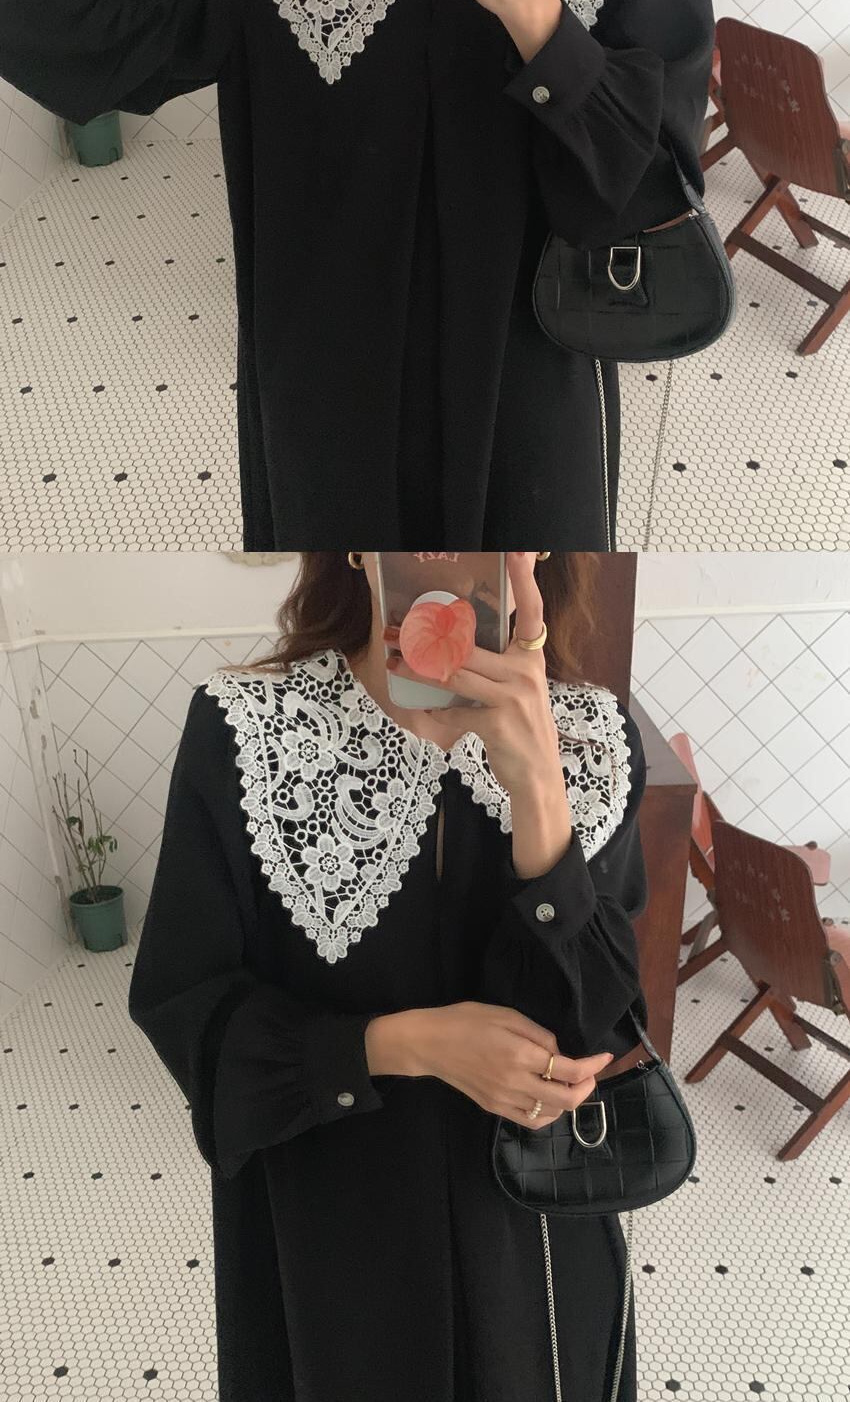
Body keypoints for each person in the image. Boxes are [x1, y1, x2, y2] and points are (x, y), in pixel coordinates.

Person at [0, 0, 714, 545]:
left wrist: (529, 3)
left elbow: (657, 178)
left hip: (533, 371)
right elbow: (41, 46)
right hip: (325, 389)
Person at [129, 548, 648, 1402]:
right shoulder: (249, 728)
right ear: (355, 538)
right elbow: (189, 1011)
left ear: (539, 548)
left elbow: (599, 1028)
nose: (452, 548)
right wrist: (404, 1045)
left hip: (536, 1248)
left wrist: (539, 791)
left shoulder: (595, 739)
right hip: (333, 1248)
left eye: (494, 524)